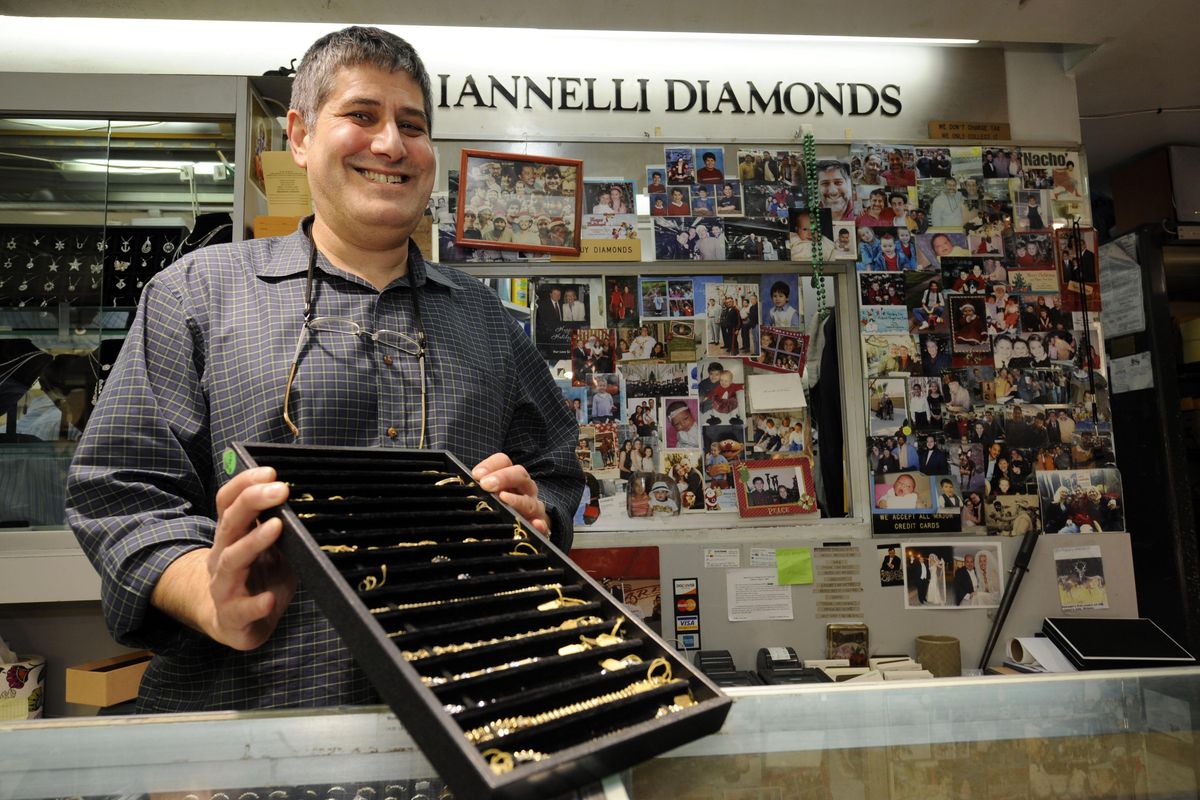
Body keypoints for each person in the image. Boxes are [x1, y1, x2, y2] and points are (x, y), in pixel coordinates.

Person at [65, 26, 582, 714]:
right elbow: (120, 490)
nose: (391, 145)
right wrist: (207, 590)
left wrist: (536, 514)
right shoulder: (196, 295)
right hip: (244, 722)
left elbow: (555, 471)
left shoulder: (486, 319)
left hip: (462, 716)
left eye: (413, 125)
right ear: (300, 137)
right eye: (362, 115)